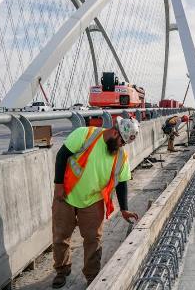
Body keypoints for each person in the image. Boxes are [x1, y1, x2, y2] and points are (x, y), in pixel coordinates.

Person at [51, 117, 141, 288]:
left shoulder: (121, 157)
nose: (122, 146)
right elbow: (62, 156)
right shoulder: (85, 135)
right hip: (66, 194)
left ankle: (93, 277)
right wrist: (58, 186)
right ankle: (62, 270)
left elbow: (122, 183)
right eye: (122, 142)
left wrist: (124, 209)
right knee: (60, 236)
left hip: (93, 200)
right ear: (115, 133)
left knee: (93, 240)